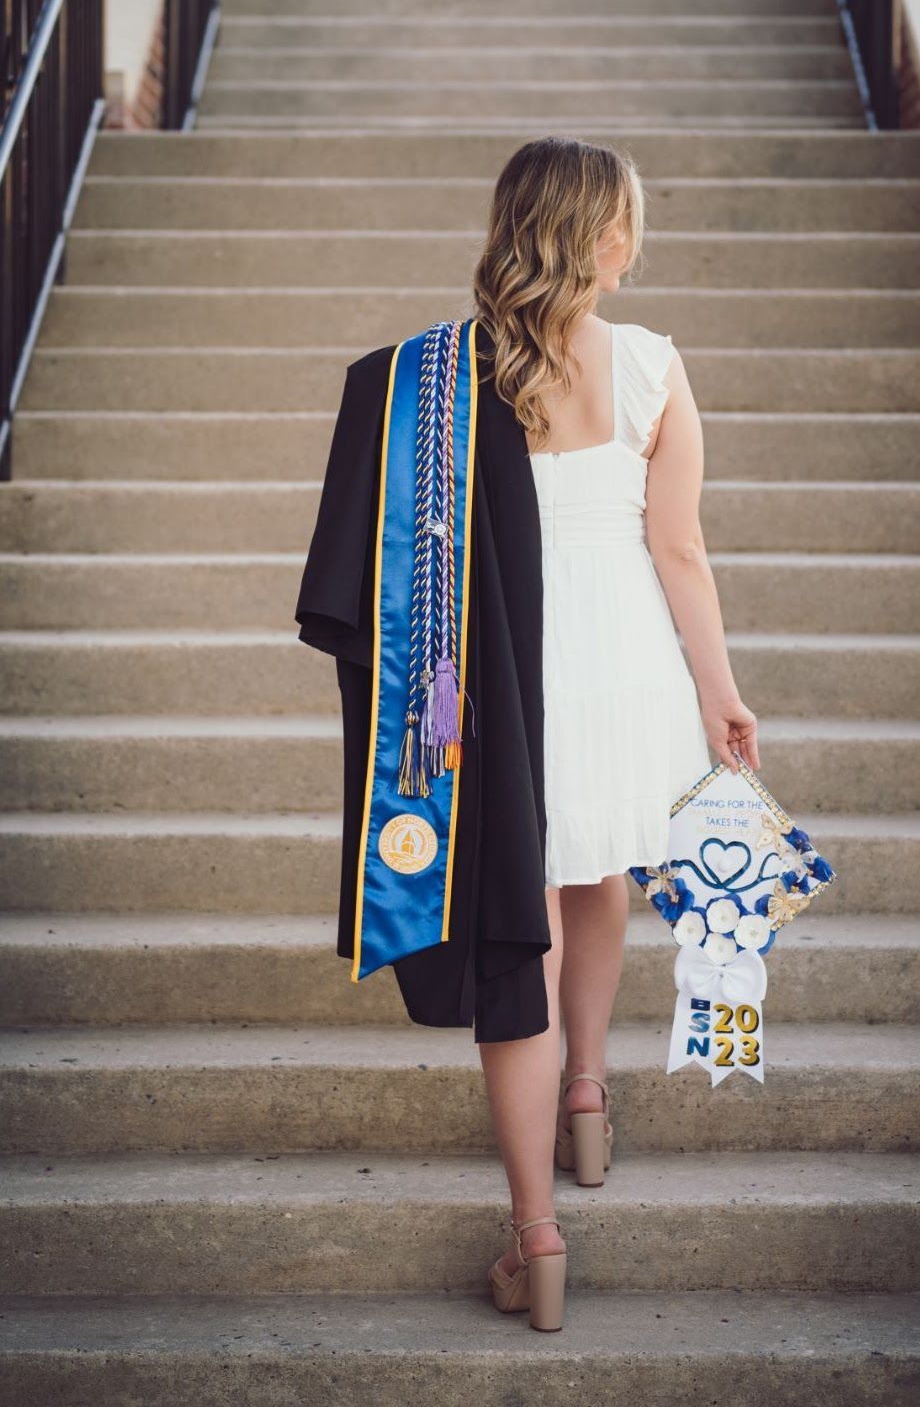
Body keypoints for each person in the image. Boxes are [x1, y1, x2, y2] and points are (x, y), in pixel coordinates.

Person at [294, 134, 759, 1334]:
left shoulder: (444, 375)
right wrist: (719, 692)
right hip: (626, 667)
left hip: (494, 674)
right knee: (600, 870)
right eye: (629, 226)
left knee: (520, 933)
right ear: (606, 238)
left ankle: (535, 1233)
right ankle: (588, 1098)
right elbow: (681, 550)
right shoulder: (653, 364)